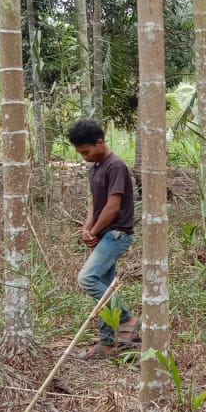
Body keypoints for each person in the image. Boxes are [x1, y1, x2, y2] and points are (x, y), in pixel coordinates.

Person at [66, 119, 140, 359]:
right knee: (104, 287)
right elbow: (95, 203)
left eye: (86, 151)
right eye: (80, 153)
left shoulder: (115, 166)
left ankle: (127, 318)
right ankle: (108, 345)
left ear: (100, 142)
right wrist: (87, 229)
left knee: (88, 279)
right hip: (103, 233)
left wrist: (96, 229)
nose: (84, 157)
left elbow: (112, 206)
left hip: (116, 234)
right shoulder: (96, 167)